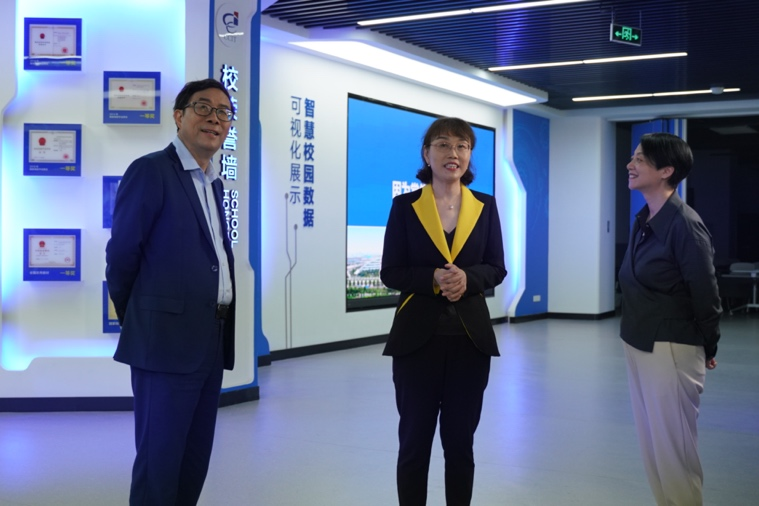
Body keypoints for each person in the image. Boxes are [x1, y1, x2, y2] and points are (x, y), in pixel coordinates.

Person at [106, 78, 237, 506]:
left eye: (224, 112)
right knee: (159, 467)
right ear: (179, 116)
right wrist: (144, 319)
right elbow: (122, 256)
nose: (215, 119)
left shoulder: (213, 182)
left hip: (210, 340)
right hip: (164, 344)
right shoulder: (151, 171)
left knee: (193, 462)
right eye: (204, 108)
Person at [380, 117, 506, 505]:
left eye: (462, 146)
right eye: (443, 144)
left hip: (470, 342)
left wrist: (468, 278)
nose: (453, 153)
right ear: (426, 153)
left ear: (469, 155)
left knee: (460, 446)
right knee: (414, 445)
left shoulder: (484, 206)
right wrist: (433, 278)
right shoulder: (405, 207)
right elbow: (390, 271)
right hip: (416, 343)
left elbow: (496, 267)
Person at [619, 132, 722, 506]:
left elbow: (705, 292)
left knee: (674, 452)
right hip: (639, 340)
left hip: (671, 346)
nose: (630, 165)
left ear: (666, 171)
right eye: (633, 157)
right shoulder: (645, 218)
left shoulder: (684, 224)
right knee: (654, 448)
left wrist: (709, 343)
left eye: (640, 159)